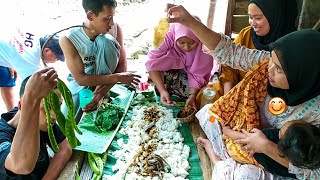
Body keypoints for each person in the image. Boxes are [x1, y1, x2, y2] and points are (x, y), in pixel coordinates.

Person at [166, 4, 320, 179]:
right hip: (249, 131)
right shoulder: (269, 62)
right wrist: (189, 22)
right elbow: (230, 52)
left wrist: (266, 147)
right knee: (208, 115)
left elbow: (314, 172)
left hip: (279, 158)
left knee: (245, 176)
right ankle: (227, 158)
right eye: (271, 62)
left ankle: (221, 159)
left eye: (278, 70)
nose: (268, 70)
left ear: (300, 75)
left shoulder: (316, 112)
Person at [60, 0, 140, 113]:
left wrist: (100, 93)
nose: (111, 23)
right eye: (107, 18)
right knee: (66, 122)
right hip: (83, 85)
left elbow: (122, 66)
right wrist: (118, 78)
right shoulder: (69, 38)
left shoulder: (115, 29)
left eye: (112, 17)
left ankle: (105, 94)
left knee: (105, 40)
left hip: (108, 82)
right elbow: (80, 79)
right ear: (90, 16)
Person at [0, 67, 72, 179]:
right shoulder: (2, 135)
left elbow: (65, 149)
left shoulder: (44, 121)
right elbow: (21, 165)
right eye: (47, 107)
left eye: (58, 106)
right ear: (22, 106)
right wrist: (32, 98)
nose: (54, 115)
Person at [219, 0, 297, 95]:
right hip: (238, 92)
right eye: (250, 17)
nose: (252, 23)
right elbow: (229, 68)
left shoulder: (292, 46)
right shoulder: (246, 35)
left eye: (258, 18)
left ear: (276, 17)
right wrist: (228, 97)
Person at [198, 120, 320, 178]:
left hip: (275, 167)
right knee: (209, 116)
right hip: (263, 146)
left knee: (241, 175)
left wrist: (228, 131)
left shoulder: (308, 171)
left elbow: (245, 139)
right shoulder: (305, 135)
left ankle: (217, 161)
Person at [145, 17, 214, 108]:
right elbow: (152, 63)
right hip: (171, 70)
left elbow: (200, 74)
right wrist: (162, 90)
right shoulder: (167, 37)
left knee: (200, 95)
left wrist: (192, 95)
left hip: (190, 74)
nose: (186, 47)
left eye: (192, 42)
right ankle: (166, 93)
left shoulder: (204, 46)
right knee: (160, 83)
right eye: (181, 43)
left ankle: (184, 96)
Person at [0, 28, 65, 81]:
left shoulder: (32, 32)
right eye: (57, 58)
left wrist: (10, 61)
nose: (55, 61)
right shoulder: (31, 61)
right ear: (46, 51)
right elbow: (31, 88)